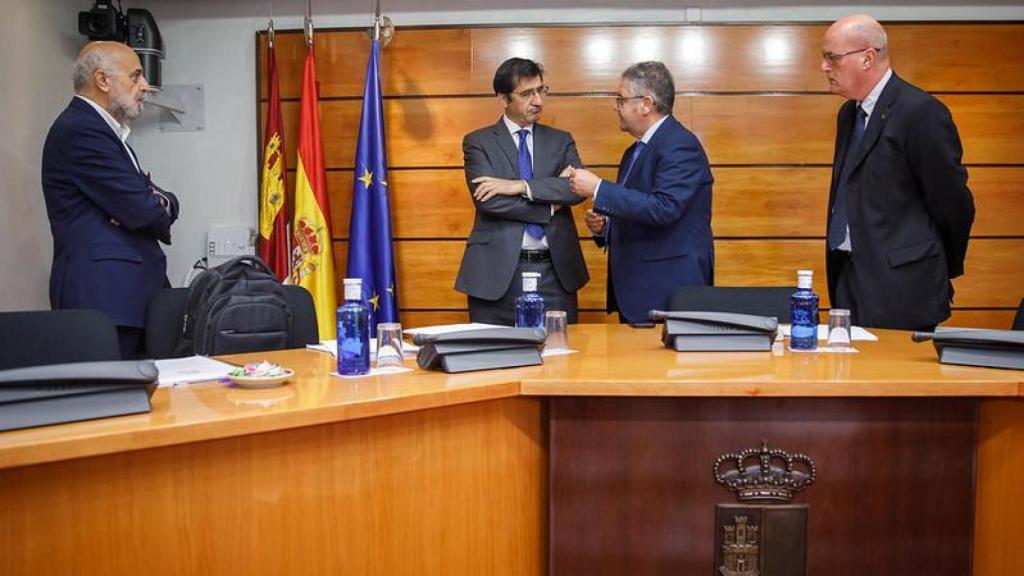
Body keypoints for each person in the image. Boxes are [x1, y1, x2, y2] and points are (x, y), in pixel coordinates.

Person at [820, 14, 974, 331]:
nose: (824, 67)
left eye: (831, 58)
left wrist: (933, 264)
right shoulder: (849, 114)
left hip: (903, 286)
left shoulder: (919, 112)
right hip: (850, 277)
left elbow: (953, 205)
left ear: (867, 57)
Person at [41, 41, 179, 358]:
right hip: (105, 299)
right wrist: (149, 202)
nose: (145, 86)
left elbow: (153, 202)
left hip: (124, 299)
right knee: (114, 402)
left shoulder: (104, 132)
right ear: (103, 81)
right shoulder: (81, 130)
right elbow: (144, 210)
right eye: (135, 76)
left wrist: (155, 201)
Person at [569, 61, 714, 324]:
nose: (616, 106)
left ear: (646, 104)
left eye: (621, 99)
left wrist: (598, 188)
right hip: (639, 291)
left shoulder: (680, 145)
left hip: (668, 290)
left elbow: (664, 208)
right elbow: (639, 209)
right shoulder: (634, 152)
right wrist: (605, 227)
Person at [455, 57, 589, 324]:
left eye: (541, 90)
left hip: (556, 273)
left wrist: (520, 186)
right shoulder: (478, 142)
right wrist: (551, 204)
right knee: (495, 360)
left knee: (561, 360)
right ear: (504, 99)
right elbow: (490, 202)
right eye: (527, 94)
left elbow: (575, 189)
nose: (538, 101)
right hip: (497, 274)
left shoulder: (560, 140)